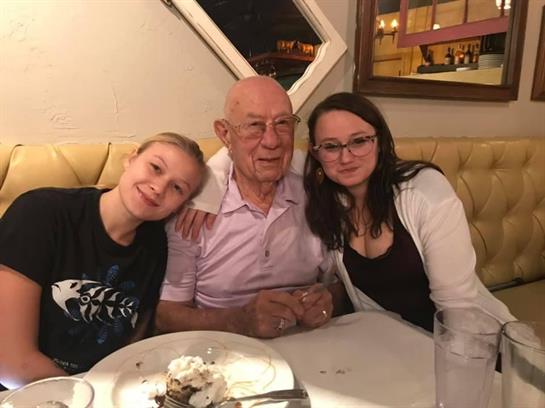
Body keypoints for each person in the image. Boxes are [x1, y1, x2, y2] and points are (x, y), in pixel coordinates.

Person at [0, 133, 205, 389]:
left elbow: (134, 346)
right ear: (131, 159)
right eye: (155, 168)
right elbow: (11, 363)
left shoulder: (157, 245)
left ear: (182, 205)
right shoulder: (40, 213)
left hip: (107, 389)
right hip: (25, 392)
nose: (159, 188)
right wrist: (87, 397)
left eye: (177, 188)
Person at [303, 92, 514, 331]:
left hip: (468, 341)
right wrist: (322, 298)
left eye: (359, 141)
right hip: (390, 341)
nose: (345, 157)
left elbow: (458, 308)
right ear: (315, 152)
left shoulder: (424, 191)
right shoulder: (328, 203)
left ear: (380, 141)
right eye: (331, 146)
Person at [155, 77, 336, 339]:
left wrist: (327, 299)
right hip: (222, 352)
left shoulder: (317, 193)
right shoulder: (195, 207)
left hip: (309, 346)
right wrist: (238, 321)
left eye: (283, 123)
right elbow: (165, 315)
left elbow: (343, 287)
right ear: (225, 134)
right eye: (254, 126)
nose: (272, 141)